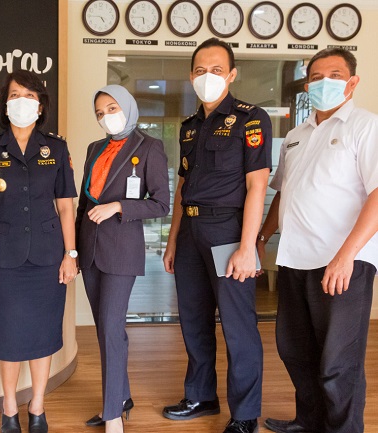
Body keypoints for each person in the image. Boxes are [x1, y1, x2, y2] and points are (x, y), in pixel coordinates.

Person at [257, 48, 378, 433]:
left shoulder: (366, 126)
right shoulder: (295, 135)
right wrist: (262, 237)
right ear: (307, 86)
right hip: (295, 259)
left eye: (335, 75)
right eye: (316, 77)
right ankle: (308, 422)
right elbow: (283, 192)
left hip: (342, 262)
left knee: (338, 362)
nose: (325, 82)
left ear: (352, 82)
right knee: (297, 351)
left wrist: (346, 256)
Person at [162, 38, 272, 433]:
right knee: (193, 320)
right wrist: (173, 239)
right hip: (191, 232)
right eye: (200, 70)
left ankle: (244, 415)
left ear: (232, 74)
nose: (207, 76)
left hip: (228, 230)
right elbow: (182, 186)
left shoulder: (251, 119)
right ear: (191, 75)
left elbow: (257, 185)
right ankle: (201, 396)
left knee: (238, 326)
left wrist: (248, 246)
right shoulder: (189, 127)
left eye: (216, 69)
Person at [0, 69, 77, 433]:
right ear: (5, 103)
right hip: (3, 259)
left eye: (30, 96)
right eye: (15, 95)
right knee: (8, 335)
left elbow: (66, 207)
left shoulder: (56, 148)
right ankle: (10, 407)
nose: (22, 102)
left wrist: (71, 255)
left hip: (48, 257)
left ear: (41, 105)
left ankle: (38, 405)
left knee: (43, 334)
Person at [77, 85, 170, 433]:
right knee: (106, 329)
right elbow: (83, 205)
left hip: (121, 250)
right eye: (100, 113)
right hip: (89, 249)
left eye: (112, 108)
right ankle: (121, 397)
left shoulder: (149, 147)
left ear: (128, 106)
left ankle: (112, 413)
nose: (106, 117)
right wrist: (73, 250)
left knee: (111, 328)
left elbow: (161, 204)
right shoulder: (94, 148)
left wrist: (119, 206)